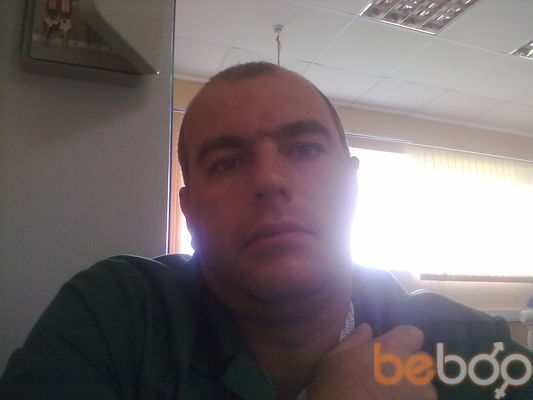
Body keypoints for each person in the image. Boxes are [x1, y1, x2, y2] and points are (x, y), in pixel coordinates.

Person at [0, 62, 531, 400]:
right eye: (228, 162)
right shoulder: (115, 316)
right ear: (190, 211)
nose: (270, 181)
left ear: (352, 186)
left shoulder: (463, 346)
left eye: (304, 150)